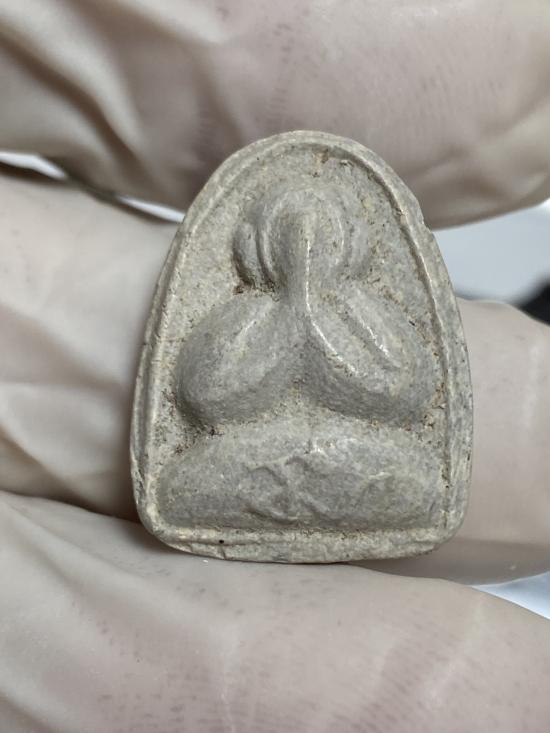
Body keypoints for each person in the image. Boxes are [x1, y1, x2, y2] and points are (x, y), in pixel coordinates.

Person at [1, 2, 549, 730]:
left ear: (347, 245)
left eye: (322, 238)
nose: (306, 249)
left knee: (412, 476)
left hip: (358, 460)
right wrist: (287, 315)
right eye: (292, 235)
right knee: (189, 477)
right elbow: (205, 399)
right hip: (246, 459)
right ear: (262, 243)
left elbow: (405, 393)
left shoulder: (365, 314)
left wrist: (318, 316)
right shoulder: (247, 313)